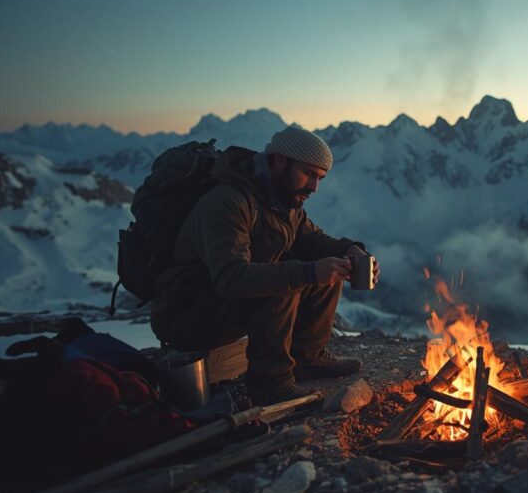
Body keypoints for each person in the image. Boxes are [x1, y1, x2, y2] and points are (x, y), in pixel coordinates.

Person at [150, 126, 380, 405]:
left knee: (322, 272)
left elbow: (311, 239)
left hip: (218, 303)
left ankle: (307, 359)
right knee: (288, 279)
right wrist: (308, 272)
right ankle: (270, 385)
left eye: (319, 178)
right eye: (308, 173)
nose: (314, 187)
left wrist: (349, 251)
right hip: (187, 313)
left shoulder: (282, 198)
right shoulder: (229, 201)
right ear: (280, 160)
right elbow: (232, 278)